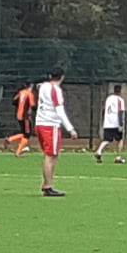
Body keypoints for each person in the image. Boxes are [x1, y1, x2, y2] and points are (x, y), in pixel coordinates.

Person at [34, 68, 78, 197]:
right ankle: (48, 186)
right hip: (50, 124)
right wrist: (70, 128)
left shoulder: (43, 86)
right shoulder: (55, 90)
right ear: (62, 77)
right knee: (51, 155)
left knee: (52, 155)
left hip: (40, 123)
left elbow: (38, 86)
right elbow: (59, 111)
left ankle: (47, 184)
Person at [95, 84, 127, 164]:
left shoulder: (108, 98)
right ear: (120, 91)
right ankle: (118, 157)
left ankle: (99, 151)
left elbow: (104, 110)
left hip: (107, 122)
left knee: (107, 139)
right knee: (120, 140)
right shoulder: (120, 100)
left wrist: (104, 120)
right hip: (115, 123)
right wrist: (120, 124)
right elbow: (120, 112)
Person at [9, 81, 37, 157]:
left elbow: (14, 101)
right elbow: (33, 106)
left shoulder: (20, 92)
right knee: (27, 135)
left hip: (19, 115)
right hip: (25, 117)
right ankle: (18, 152)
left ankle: (10, 139)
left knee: (24, 133)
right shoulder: (29, 93)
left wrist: (20, 106)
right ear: (30, 86)